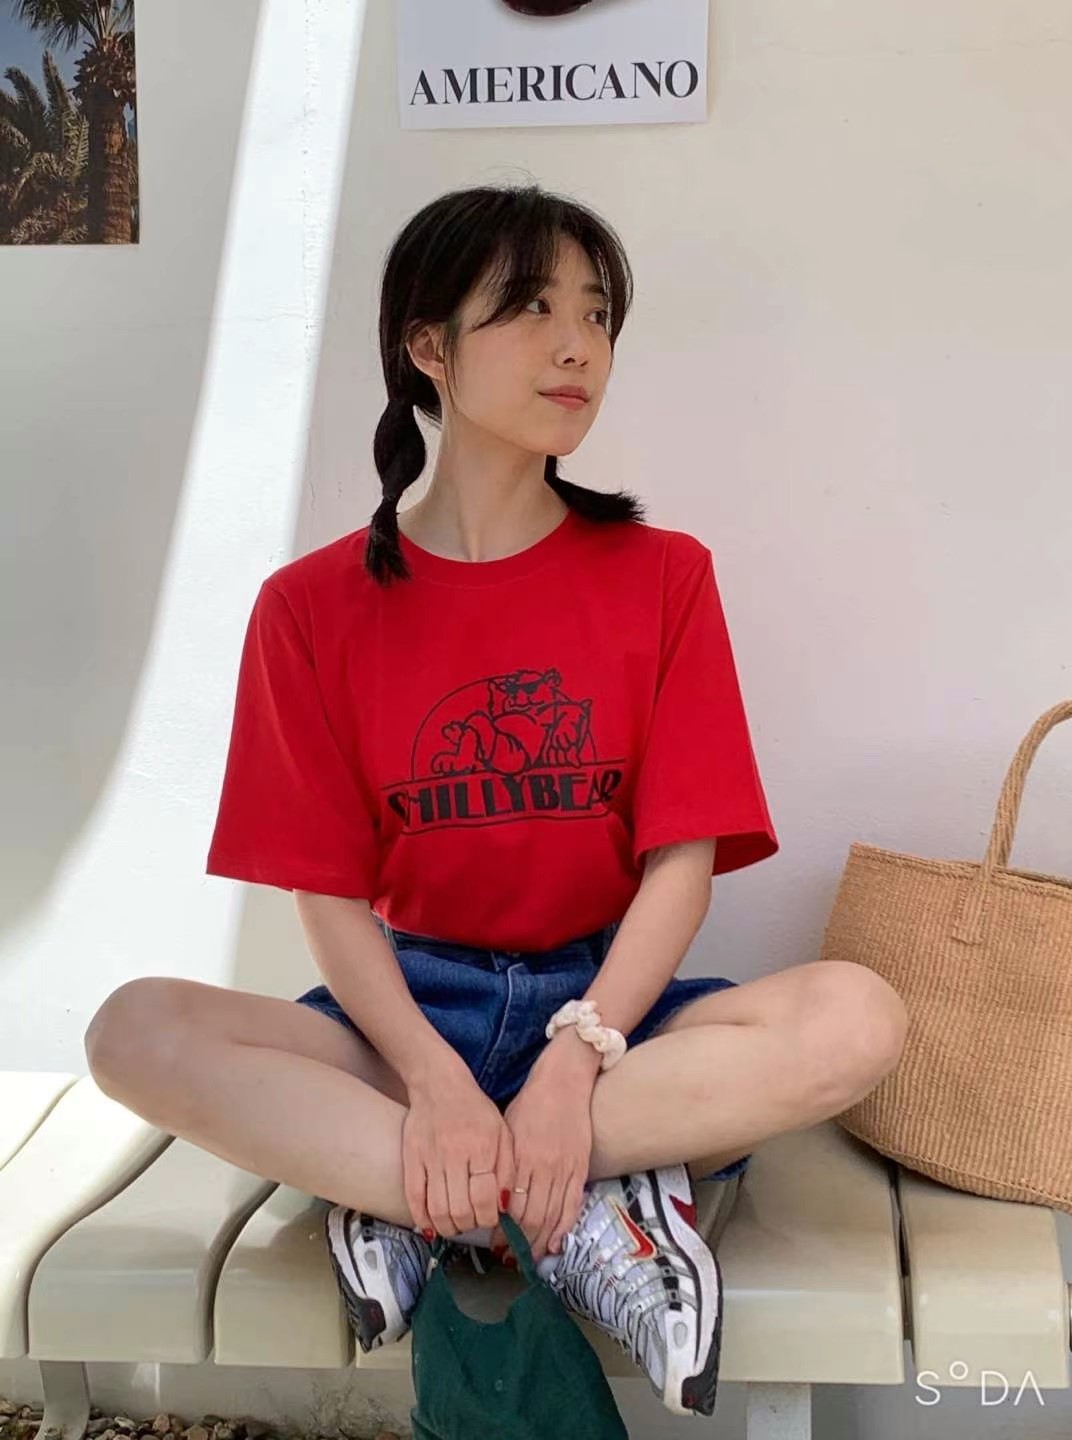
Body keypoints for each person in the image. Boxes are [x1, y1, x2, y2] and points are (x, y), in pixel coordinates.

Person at [84, 183, 908, 1420]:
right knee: (132, 1030)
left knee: (856, 1018)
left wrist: (577, 1062)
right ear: (429, 346)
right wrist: (432, 1078)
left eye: (597, 314)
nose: (578, 346)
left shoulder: (664, 577)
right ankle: (556, 1199)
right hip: (406, 1014)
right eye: (530, 309)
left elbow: (680, 864)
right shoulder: (309, 608)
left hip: (610, 1013)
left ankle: (421, 1196)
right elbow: (328, 894)